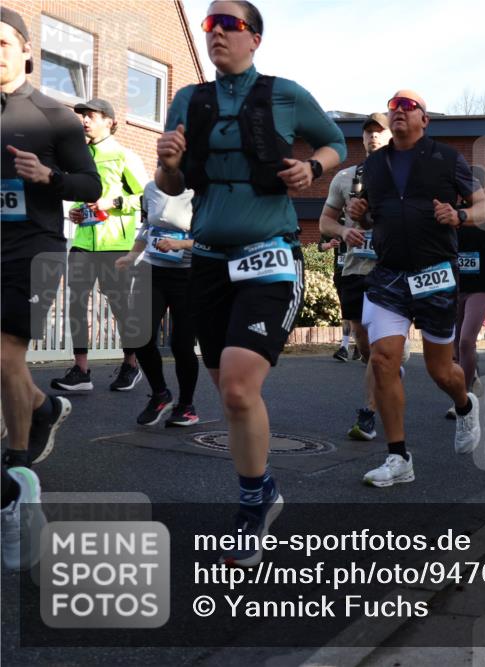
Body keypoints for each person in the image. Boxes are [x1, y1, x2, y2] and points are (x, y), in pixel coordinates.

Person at [156, 0, 346, 566]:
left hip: (271, 256)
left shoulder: (286, 94)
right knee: (228, 390)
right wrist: (167, 161)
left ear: (254, 39)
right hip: (209, 260)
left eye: (228, 24)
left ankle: (249, 506)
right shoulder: (189, 100)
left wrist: (312, 168)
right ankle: (262, 489)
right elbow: (169, 182)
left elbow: (333, 141)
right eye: (208, 24)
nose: (214, 33)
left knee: (239, 387)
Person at [346, 89, 485, 487]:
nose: (397, 112)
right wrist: (361, 213)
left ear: (424, 119)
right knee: (382, 359)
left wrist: (459, 215)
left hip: (435, 274)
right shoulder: (373, 165)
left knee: (440, 370)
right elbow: (374, 214)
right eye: (393, 107)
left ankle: (464, 405)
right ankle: (398, 458)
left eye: (407, 107)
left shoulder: (447, 158)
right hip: (389, 273)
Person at [1, 7, 101, 568]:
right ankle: (40, 408)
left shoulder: (54, 115)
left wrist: (50, 178)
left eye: (2, 43)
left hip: (34, 246)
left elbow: (90, 182)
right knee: (3, 365)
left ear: (25, 51)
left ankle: (16, 483)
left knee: (4, 353)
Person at [49, 98, 148, 393]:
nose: (84, 120)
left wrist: (113, 202)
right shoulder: (79, 158)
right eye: (82, 116)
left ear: (110, 121)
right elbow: (82, 196)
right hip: (83, 241)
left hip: (115, 244)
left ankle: (131, 364)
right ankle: (81, 371)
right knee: (76, 303)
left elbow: (146, 199)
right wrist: (77, 211)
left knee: (119, 305)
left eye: (91, 115)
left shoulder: (124, 156)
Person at [318, 112, 391, 439]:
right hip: (354, 269)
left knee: (377, 347)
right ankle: (385, 372)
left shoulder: (400, 178)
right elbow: (324, 223)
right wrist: (344, 232)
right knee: (363, 345)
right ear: (362, 139)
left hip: (388, 272)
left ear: (390, 136)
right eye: (368, 132)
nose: (373, 136)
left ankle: (369, 413)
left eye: (379, 131)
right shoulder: (345, 178)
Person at [115, 181, 201, 426]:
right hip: (152, 270)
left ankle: (186, 406)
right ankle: (160, 394)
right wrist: (132, 256)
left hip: (188, 274)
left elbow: (213, 237)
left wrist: (181, 244)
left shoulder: (201, 190)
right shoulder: (151, 188)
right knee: (137, 336)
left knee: (181, 345)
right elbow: (148, 227)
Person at [452, 166, 485, 414]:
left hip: (481, 287)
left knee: (466, 341)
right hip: (454, 287)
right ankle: (472, 377)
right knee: (454, 346)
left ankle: (462, 400)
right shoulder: (452, 214)